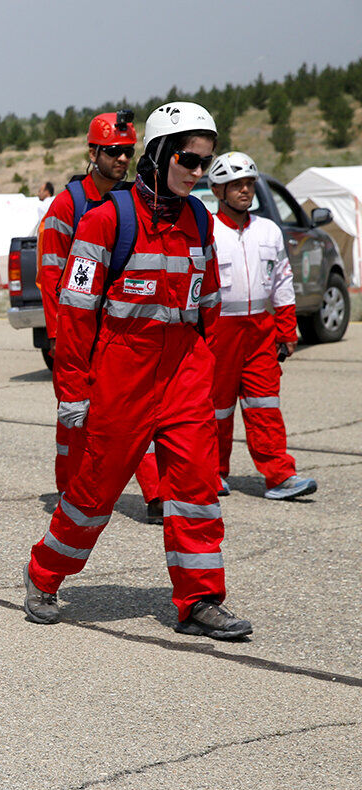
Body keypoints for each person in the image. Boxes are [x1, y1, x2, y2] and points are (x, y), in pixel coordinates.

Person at [23, 102, 252, 641]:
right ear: (159, 155)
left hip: (183, 373)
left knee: (196, 488)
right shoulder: (107, 220)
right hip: (121, 374)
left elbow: (210, 302)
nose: (199, 174)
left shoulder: (199, 219)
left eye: (205, 163)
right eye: (189, 162)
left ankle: (200, 600)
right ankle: (44, 575)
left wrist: (202, 365)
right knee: (94, 490)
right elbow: (77, 314)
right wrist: (74, 390)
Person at [38, 111, 163, 522]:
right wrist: (57, 334)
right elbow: (51, 272)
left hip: (119, 330)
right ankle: (69, 490)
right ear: (93, 152)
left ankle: (156, 494)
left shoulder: (132, 202)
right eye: (113, 152)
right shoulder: (69, 204)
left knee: (135, 411)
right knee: (75, 420)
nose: (122, 160)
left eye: (127, 152)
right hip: (76, 330)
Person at [206, 151, 317, 501]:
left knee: (264, 404)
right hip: (218, 330)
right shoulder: (205, 230)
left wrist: (286, 330)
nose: (244, 190)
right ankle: (213, 473)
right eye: (236, 184)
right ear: (218, 191)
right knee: (215, 408)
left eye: (249, 183)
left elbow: (282, 282)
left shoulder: (268, 230)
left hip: (260, 331)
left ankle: (280, 476)